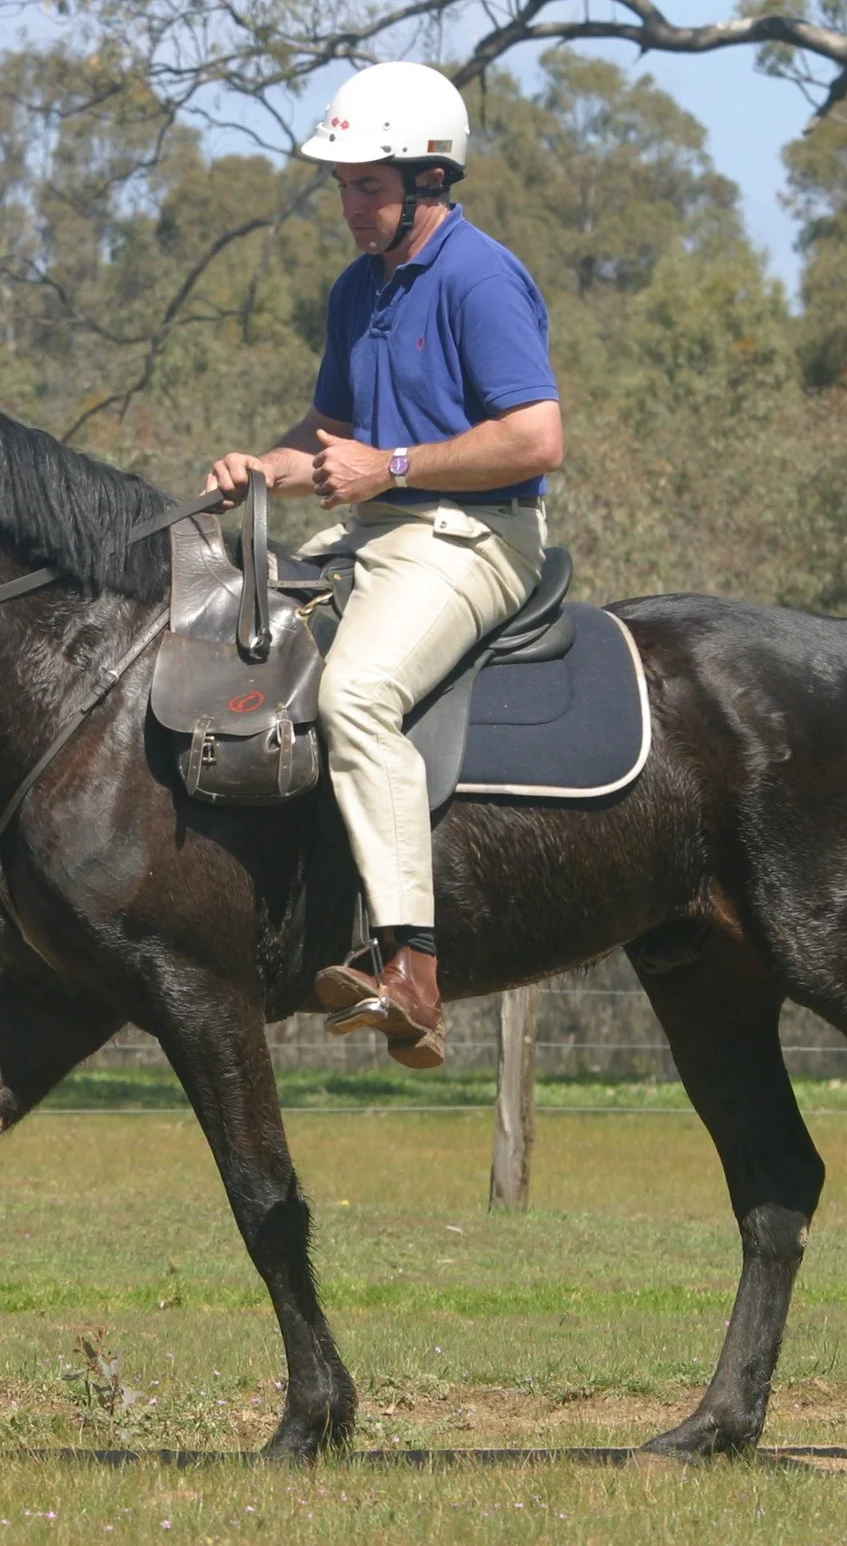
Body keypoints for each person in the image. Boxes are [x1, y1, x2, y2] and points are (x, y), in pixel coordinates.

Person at [204, 61, 563, 1069]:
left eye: (366, 184)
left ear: (428, 179)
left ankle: (412, 970)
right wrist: (261, 467)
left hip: (477, 536)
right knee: (240, 641)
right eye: (342, 185)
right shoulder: (357, 287)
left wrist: (390, 466)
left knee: (356, 691)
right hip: (374, 530)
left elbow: (536, 439)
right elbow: (329, 431)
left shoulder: (480, 276)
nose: (349, 205)